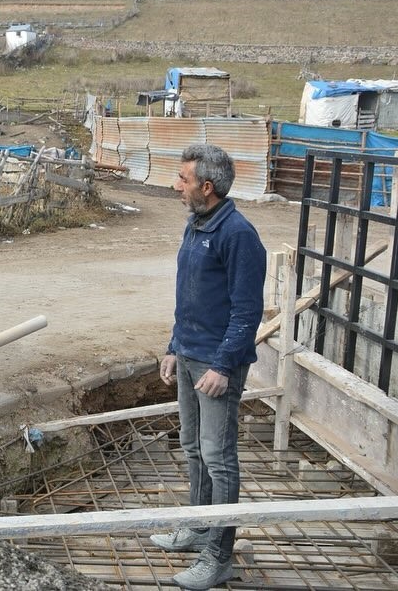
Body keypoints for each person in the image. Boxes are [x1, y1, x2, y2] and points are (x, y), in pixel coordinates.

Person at [150, 143, 266, 590]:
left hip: (218, 364)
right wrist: (174, 345)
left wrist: (221, 366)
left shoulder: (238, 235)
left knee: (219, 457)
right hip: (190, 355)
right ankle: (199, 528)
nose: (176, 185)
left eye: (183, 179)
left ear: (207, 186)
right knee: (193, 446)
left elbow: (246, 311)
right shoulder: (196, 225)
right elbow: (189, 298)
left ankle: (219, 556)